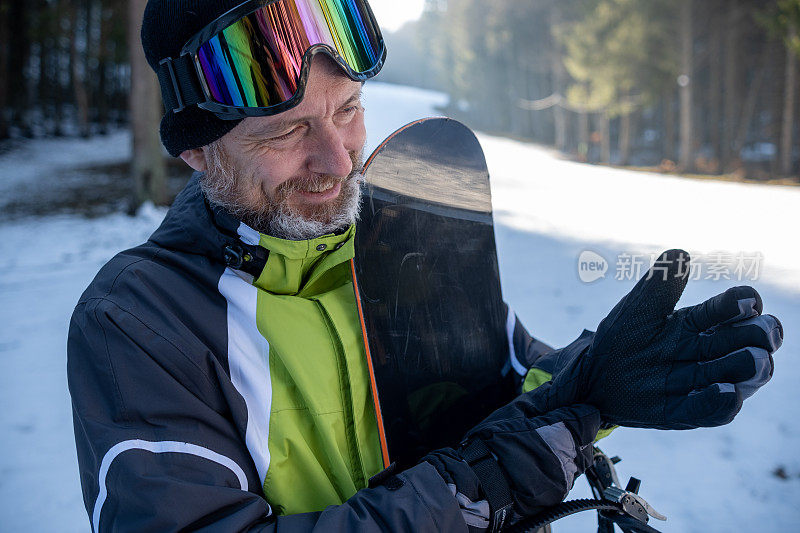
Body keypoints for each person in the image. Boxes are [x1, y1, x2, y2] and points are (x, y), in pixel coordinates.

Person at [67, 1, 784, 531]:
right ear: (196, 151)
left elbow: (510, 393)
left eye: (347, 109)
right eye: (288, 131)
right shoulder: (139, 322)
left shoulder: (411, 241)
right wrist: (481, 484)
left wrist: (596, 379)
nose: (338, 160)